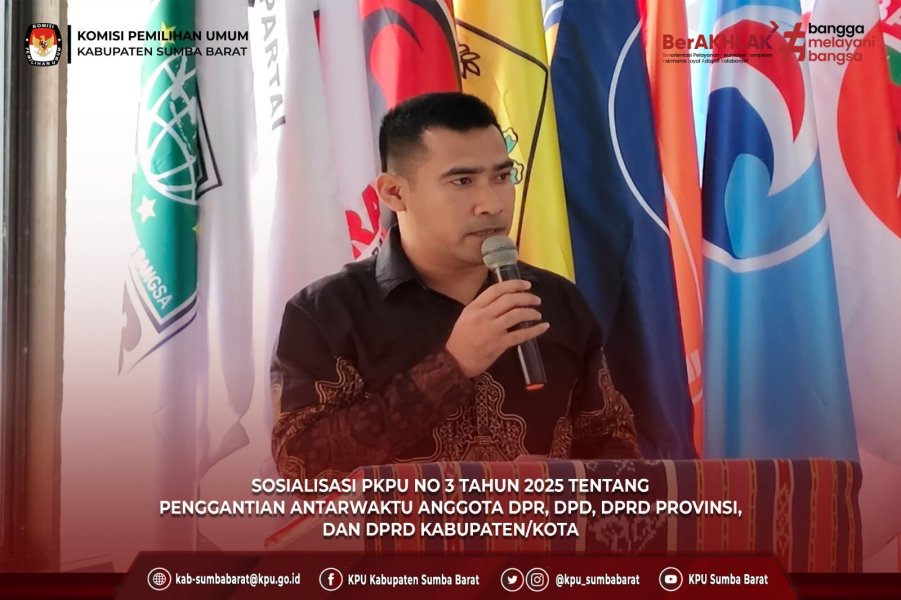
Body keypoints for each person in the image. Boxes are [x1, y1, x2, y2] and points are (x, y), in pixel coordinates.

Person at [271, 92, 641, 481]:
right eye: (462, 181)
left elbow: (614, 443)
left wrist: (555, 485)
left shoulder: (556, 300)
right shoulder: (325, 313)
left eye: (502, 177)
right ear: (394, 193)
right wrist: (450, 367)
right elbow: (300, 467)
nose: (492, 204)